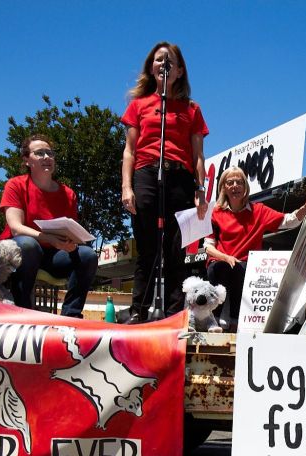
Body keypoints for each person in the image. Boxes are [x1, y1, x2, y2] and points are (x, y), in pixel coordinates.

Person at [121, 41, 208, 323]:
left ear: (180, 70)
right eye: (158, 60)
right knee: (147, 249)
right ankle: (138, 312)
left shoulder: (191, 109)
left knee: (175, 250)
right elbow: (129, 150)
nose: (163, 65)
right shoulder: (139, 105)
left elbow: (198, 155)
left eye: (169, 61)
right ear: (151, 66)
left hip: (180, 177)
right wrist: (126, 187)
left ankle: (173, 314)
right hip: (146, 173)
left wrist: (200, 189)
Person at [0, 134, 98, 318]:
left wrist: (71, 242)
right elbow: (15, 227)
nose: (46, 157)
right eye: (39, 153)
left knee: (88, 255)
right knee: (28, 244)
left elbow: (70, 229)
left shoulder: (68, 194)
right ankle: (23, 313)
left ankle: (71, 316)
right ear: (27, 160)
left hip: (54, 254)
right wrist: (48, 238)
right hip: (21, 252)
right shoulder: (15, 185)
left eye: (50, 153)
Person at [204, 166, 306, 330]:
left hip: (246, 265)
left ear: (245, 186)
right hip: (221, 262)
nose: (234, 186)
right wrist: (226, 257)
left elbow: (287, 221)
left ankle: (235, 322)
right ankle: (213, 321)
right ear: (223, 187)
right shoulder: (215, 213)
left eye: (239, 182)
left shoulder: (258, 210)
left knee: (241, 270)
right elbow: (208, 247)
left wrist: (303, 211)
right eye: (230, 182)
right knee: (222, 268)